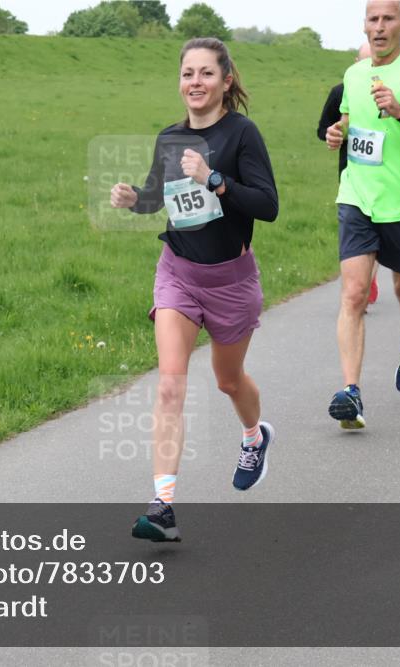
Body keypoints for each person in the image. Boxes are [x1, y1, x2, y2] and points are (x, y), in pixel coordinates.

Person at [110, 37, 279, 542]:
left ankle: (254, 435)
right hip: (179, 272)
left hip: (230, 281)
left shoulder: (243, 134)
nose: (195, 83)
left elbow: (267, 205)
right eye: (188, 73)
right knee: (170, 382)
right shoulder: (169, 138)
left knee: (229, 381)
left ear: (226, 81)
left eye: (206, 73)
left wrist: (214, 179)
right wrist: (132, 199)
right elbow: (156, 198)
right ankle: (162, 506)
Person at [323, 0, 400, 429]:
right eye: (373, 20)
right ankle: (351, 393)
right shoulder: (353, 75)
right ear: (365, 25)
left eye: (388, 19)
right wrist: (335, 133)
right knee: (354, 294)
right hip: (357, 196)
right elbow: (347, 122)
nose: (380, 28)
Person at [318, 43, 380, 307]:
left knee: (378, 232)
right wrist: (334, 134)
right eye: (361, 63)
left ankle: (369, 275)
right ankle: (360, 284)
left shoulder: (388, 93)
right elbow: (323, 129)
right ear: (354, 62)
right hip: (350, 175)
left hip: (384, 176)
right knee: (357, 231)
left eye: (373, 63)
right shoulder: (340, 92)